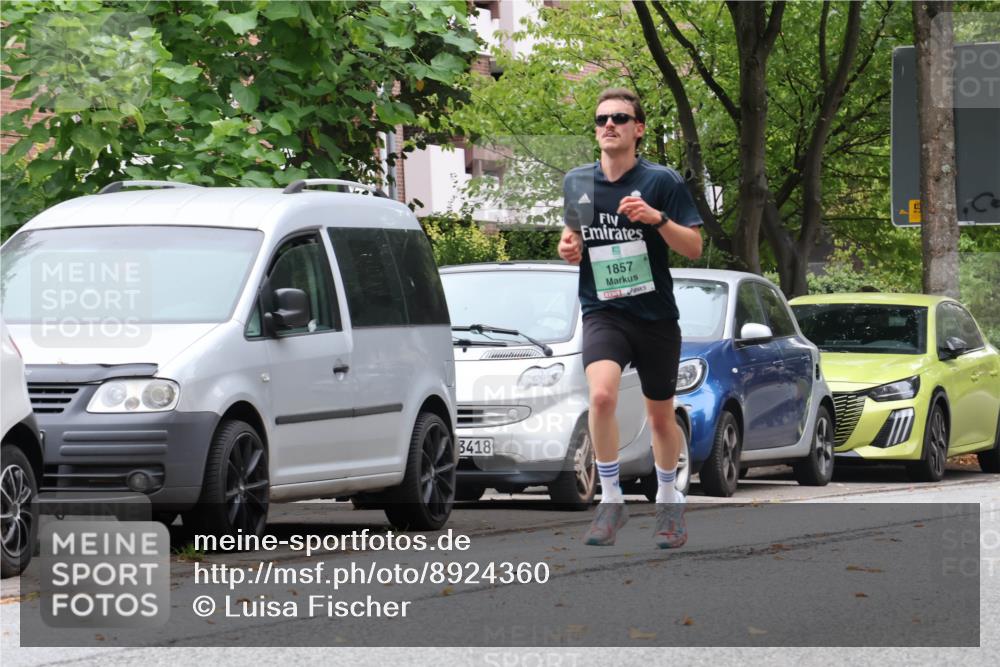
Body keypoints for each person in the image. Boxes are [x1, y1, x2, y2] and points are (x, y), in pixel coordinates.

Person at [558, 88, 703, 547]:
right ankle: (612, 499)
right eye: (601, 120)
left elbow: (695, 248)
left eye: (620, 118)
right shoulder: (579, 183)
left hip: (655, 317)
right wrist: (567, 246)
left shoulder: (661, 182)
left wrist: (657, 219)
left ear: (638, 129)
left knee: (660, 417)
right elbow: (572, 237)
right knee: (600, 397)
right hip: (604, 311)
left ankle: (668, 504)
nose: (609, 126)